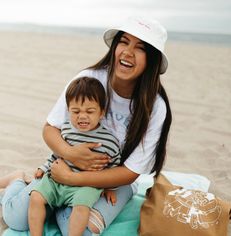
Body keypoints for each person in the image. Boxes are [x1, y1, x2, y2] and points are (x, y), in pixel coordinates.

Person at [0, 16, 172, 235]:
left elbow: (130, 172)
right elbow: (50, 128)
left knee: (82, 230)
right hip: (65, 167)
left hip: (111, 181)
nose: (128, 52)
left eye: (140, 48)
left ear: (152, 59)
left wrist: (74, 179)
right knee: (17, 218)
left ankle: (61, 203)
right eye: (124, 42)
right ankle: (17, 179)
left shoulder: (155, 106)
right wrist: (70, 154)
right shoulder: (90, 79)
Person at [28, 76, 121, 236]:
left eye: (90, 111)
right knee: (36, 197)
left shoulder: (109, 141)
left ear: (101, 113)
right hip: (56, 181)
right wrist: (44, 168)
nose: (82, 116)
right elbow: (56, 154)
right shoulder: (65, 130)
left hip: (85, 186)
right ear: (68, 110)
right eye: (76, 111)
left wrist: (110, 188)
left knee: (81, 207)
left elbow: (114, 165)